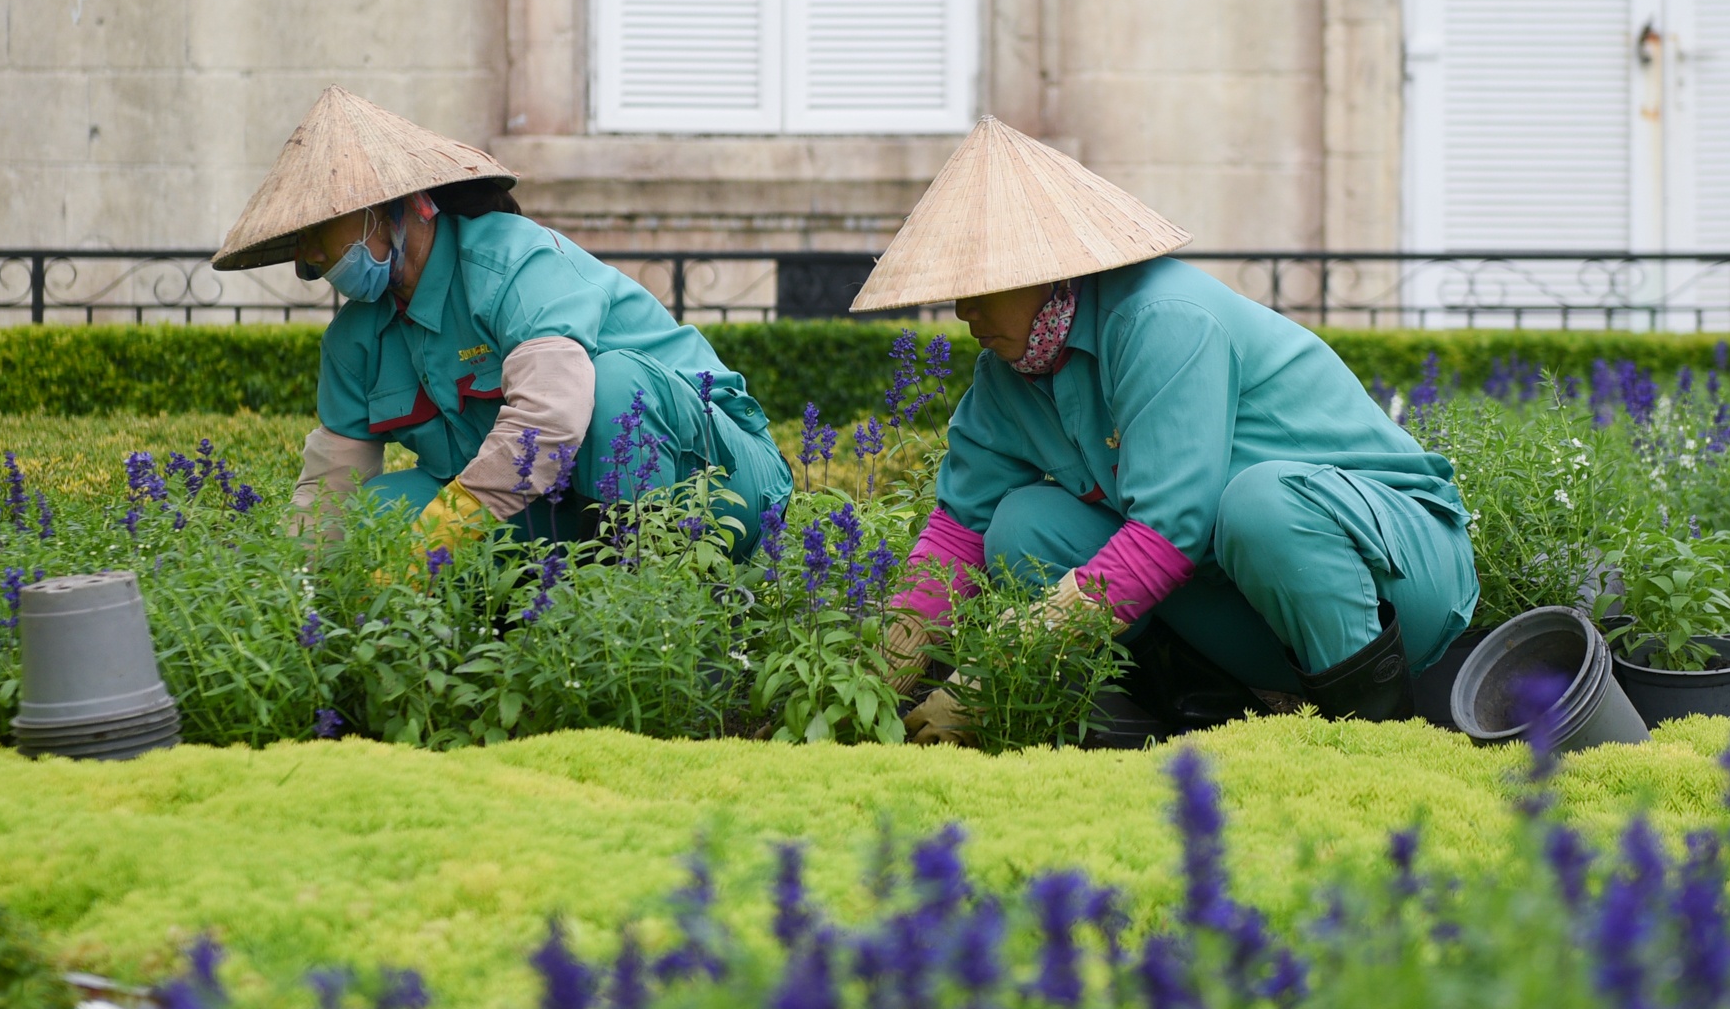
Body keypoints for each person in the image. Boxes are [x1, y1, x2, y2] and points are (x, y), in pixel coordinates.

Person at [853, 117, 1479, 742]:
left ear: (1045, 270)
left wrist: (991, 675)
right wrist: (867, 690)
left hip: (1392, 585)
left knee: (1263, 504)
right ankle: (1165, 732)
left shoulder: (1162, 319)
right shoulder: (1009, 375)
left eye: (980, 287)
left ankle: (1371, 738)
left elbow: (1166, 535)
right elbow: (958, 533)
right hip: (1246, 601)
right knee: (1024, 523)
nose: (965, 311)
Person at [211, 86, 790, 556]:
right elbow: (329, 492)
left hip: (724, 481)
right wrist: (296, 594)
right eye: (300, 238)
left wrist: (452, 522)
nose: (309, 255)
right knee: (376, 513)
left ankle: (661, 605)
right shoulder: (355, 342)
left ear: (404, 205)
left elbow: (551, 417)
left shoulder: (512, 261)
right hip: (561, 510)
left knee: (615, 387)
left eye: (321, 227)